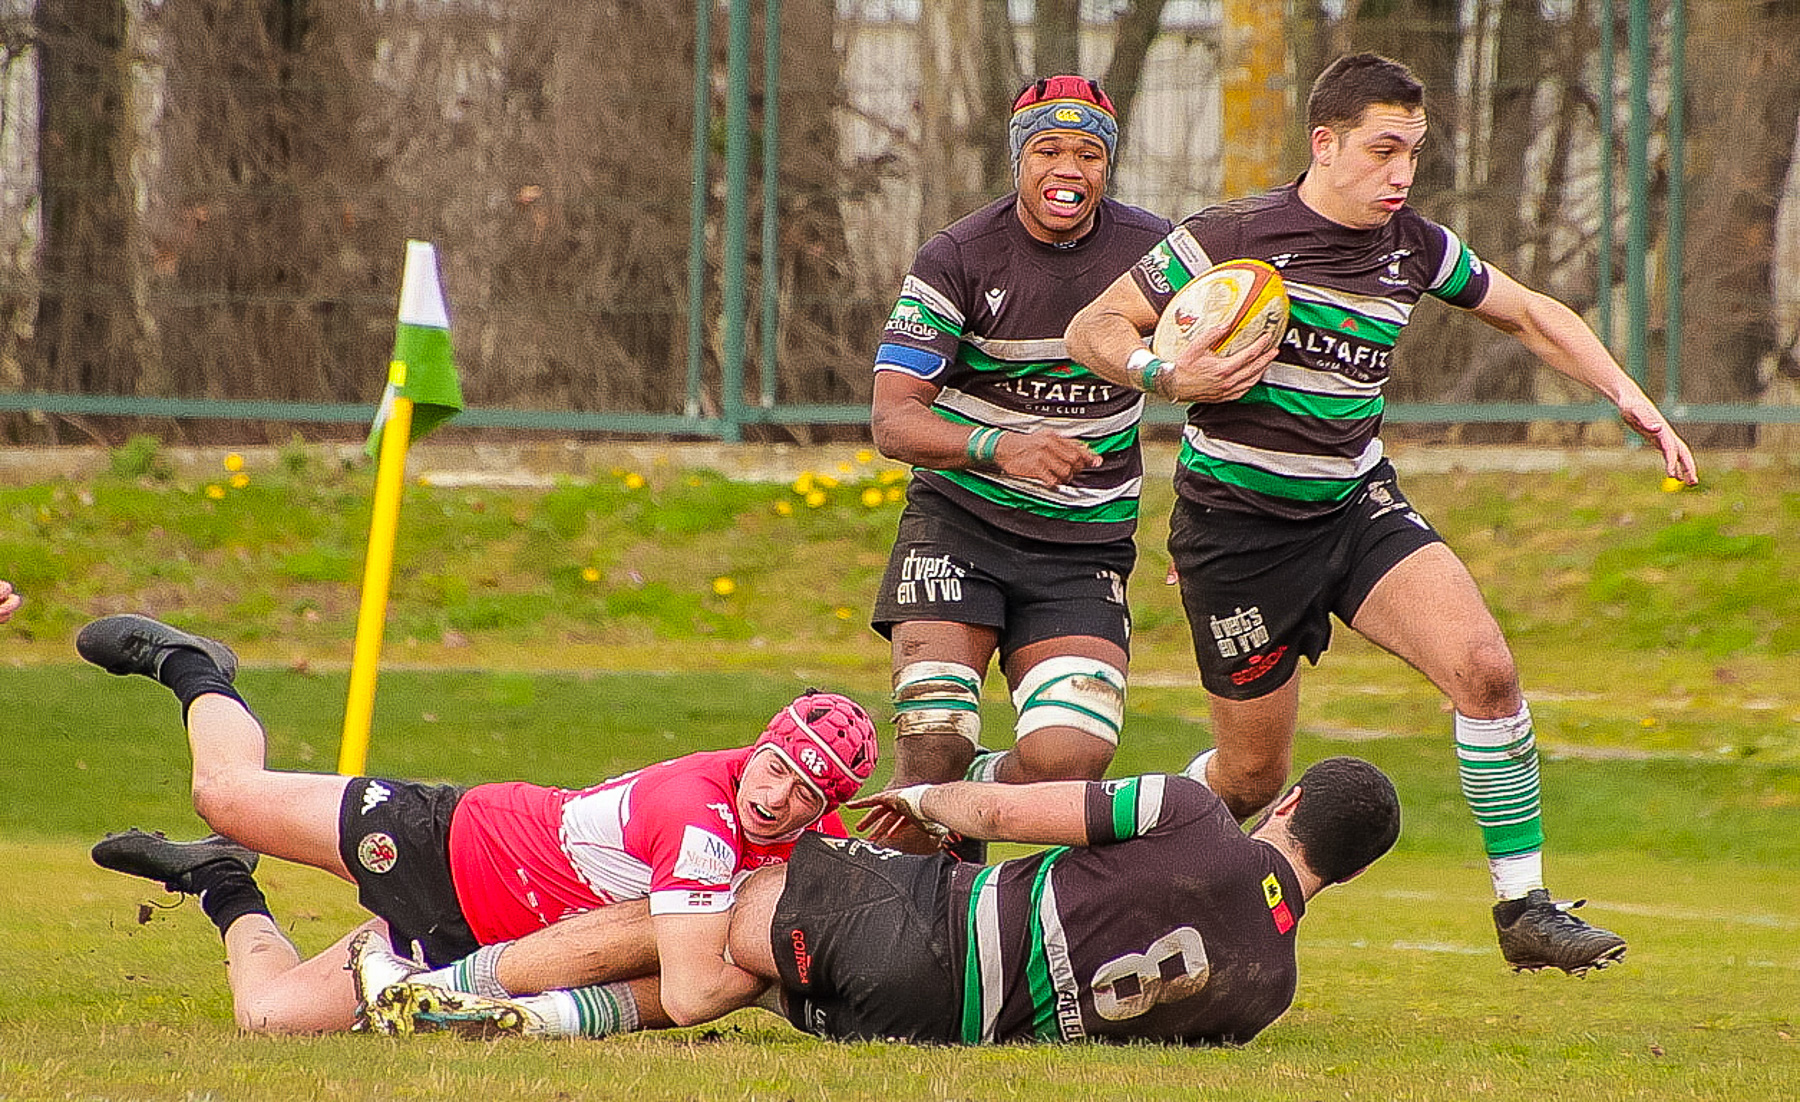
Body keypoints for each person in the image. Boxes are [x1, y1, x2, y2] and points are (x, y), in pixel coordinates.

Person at [1063, 52, 1698, 975]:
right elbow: (1093, 326)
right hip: (1238, 535)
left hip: (1357, 507)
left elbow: (1529, 314)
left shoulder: (1414, 247)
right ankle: (1101, 870)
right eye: (1383, 150)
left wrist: (1630, 398)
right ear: (1325, 144)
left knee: (1486, 671)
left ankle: (1524, 907)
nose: (1402, 173)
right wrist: (1164, 373)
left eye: (1414, 152)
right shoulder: (1233, 234)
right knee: (1250, 778)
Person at [79, 612, 878, 1034]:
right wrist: (770, 980)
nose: (777, 797)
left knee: (269, 1018)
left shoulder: (812, 839)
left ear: (827, 807)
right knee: (225, 794)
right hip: (456, 846)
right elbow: (694, 993)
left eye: (807, 792)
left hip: (483, 942)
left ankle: (220, 880)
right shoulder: (698, 812)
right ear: (760, 746)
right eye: (776, 766)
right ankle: (195, 665)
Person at [867, 75, 1273, 841]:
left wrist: (1214, 528)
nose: (1068, 168)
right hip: (959, 527)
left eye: (1088, 153)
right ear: (1018, 160)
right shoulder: (958, 255)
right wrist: (999, 447)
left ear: (1107, 166)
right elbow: (893, 419)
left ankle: (967, 797)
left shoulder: (1154, 252)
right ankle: (893, 896)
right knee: (933, 742)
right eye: (1048, 150)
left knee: (1067, 764)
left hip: (1084, 546)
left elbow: (1222, 396)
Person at [358, 755, 1401, 1046]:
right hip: (929, 1025)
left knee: (712, 906)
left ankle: (442, 986)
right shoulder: (1269, 992)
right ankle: (537, 1021)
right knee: (741, 972)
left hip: (927, 928)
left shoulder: (1192, 814)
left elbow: (1005, 807)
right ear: (1345, 873)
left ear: (1288, 803)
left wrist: (916, 799)